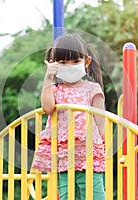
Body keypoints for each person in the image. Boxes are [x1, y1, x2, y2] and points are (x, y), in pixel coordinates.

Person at [31, 34, 105, 200]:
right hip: (64, 155)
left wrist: (103, 149)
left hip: (89, 154)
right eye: (63, 63)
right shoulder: (56, 89)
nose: (69, 66)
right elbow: (48, 107)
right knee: (67, 195)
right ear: (54, 64)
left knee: (94, 195)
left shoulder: (91, 88)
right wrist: (48, 77)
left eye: (75, 62)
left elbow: (101, 122)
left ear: (86, 63)